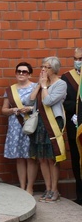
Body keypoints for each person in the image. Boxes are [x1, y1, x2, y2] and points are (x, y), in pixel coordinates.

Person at [29, 56, 67, 203]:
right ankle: (47, 188)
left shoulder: (61, 84)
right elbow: (29, 100)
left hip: (52, 123)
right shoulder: (41, 82)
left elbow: (48, 101)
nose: (43, 70)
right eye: (42, 66)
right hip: (39, 124)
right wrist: (39, 85)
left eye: (47, 67)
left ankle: (55, 189)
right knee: (42, 158)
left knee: (52, 158)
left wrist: (44, 87)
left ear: (55, 69)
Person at [1, 62, 38, 195]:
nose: (21, 74)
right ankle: (22, 186)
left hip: (30, 125)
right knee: (20, 157)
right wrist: (13, 109)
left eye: (25, 72)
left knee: (30, 156)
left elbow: (42, 106)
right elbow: (4, 110)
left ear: (30, 74)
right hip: (15, 126)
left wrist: (30, 108)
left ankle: (30, 187)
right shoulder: (10, 90)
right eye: (19, 71)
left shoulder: (36, 87)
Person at [61, 48, 82, 204]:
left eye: (80, 58)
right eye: (75, 58)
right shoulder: (67, 77)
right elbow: (65, 100)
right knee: (76, 158)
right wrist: (75, 111)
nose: (77, 61)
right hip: (74, 123)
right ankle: (80, 195)